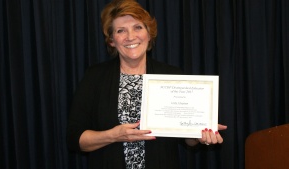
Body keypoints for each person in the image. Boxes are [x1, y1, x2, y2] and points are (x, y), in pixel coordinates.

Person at [66, 0, 227, 168]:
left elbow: (186, 138)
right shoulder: (95, 77)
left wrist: (199, 134)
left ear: (149, 34)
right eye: (121, 30)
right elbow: (74, 139)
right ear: (112, 40)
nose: (130, 36)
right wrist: (113, 135)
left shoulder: (172, 75)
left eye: (138, 27)